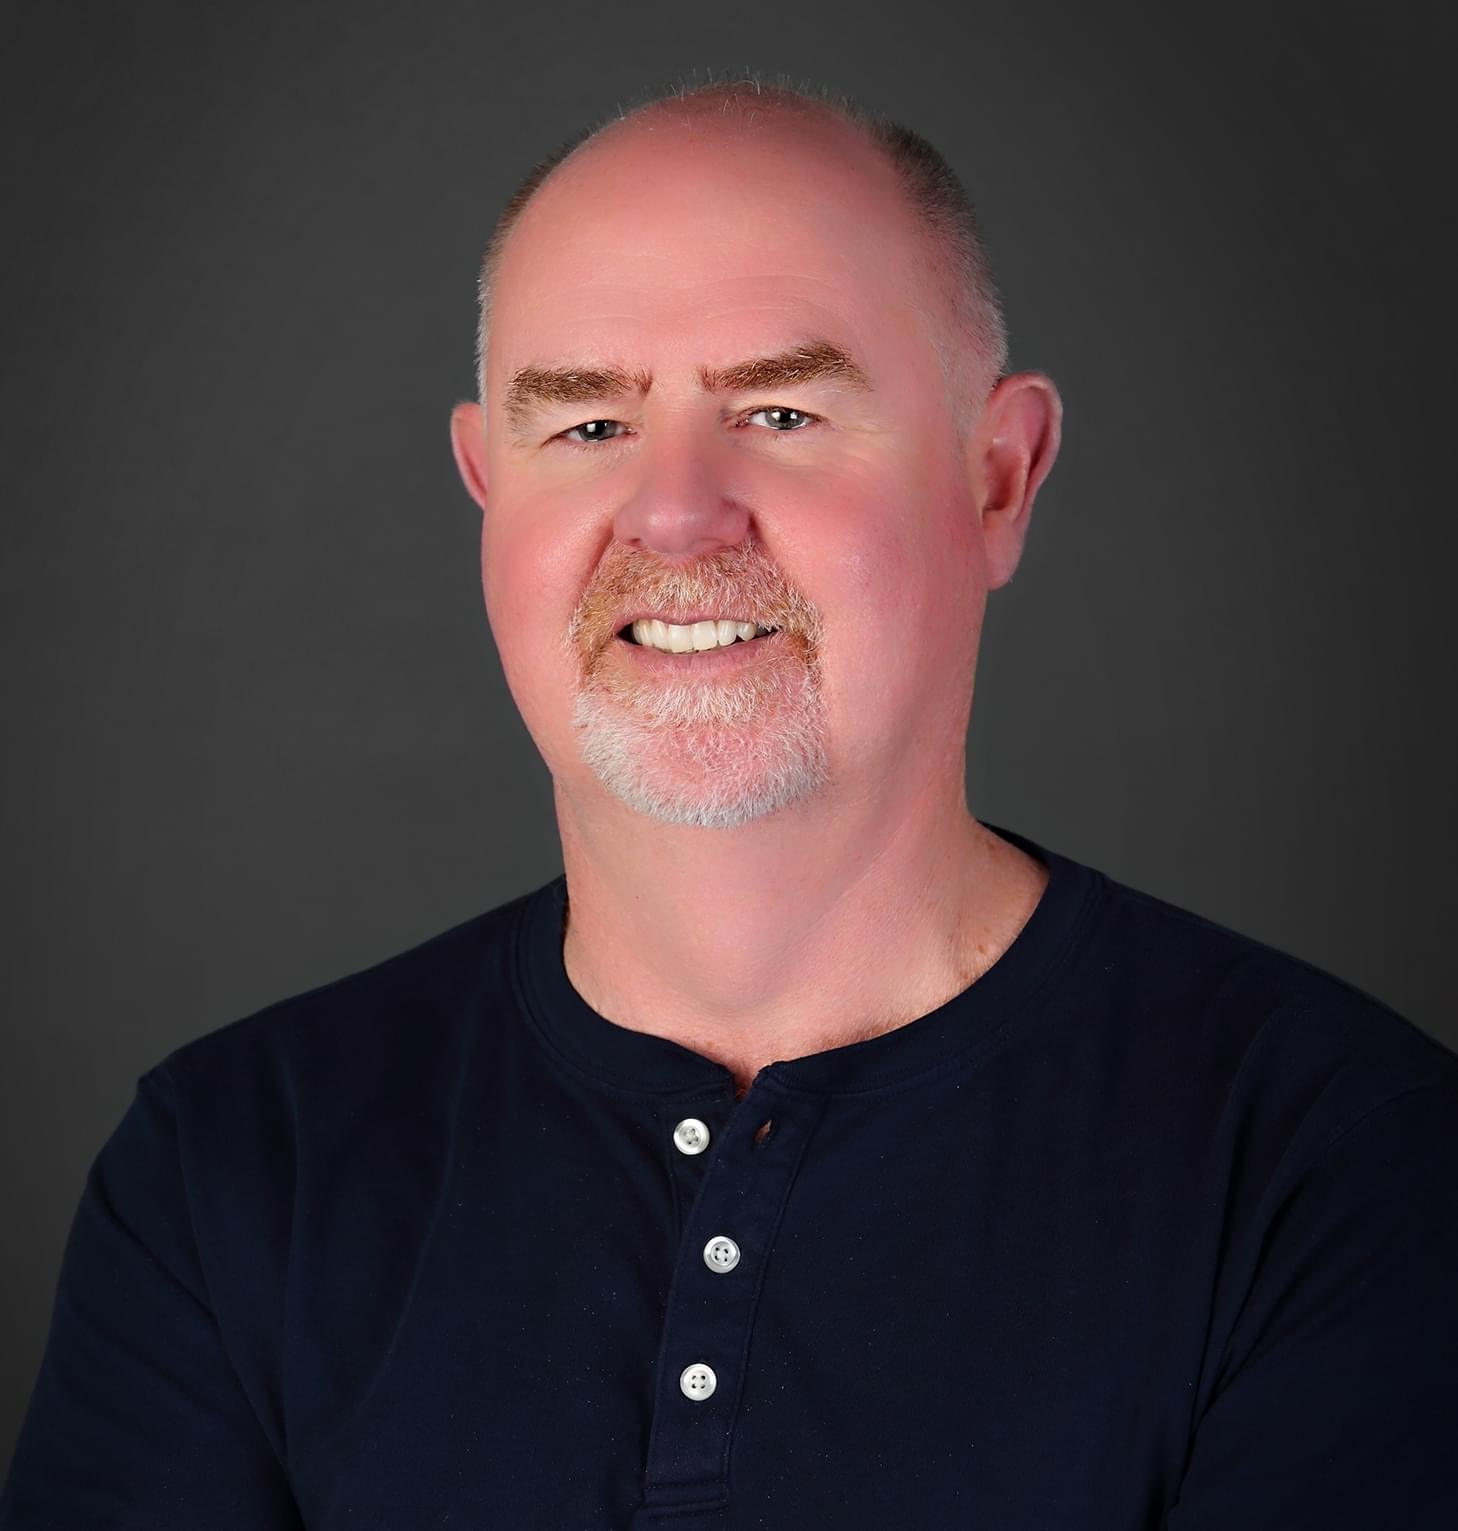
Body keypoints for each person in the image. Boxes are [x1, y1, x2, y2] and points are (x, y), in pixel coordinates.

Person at [3, 74, 1456, 1530]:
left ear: (997, 478)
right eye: (588, 429)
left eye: (778, 410)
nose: (677, 515)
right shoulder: (234, 1167)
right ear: (486, 488)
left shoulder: (1338, 1163)